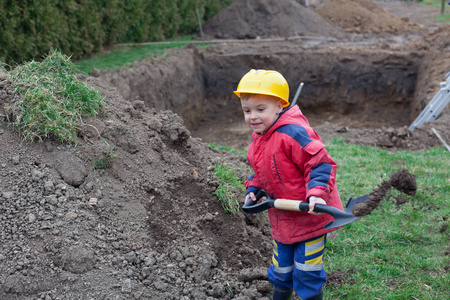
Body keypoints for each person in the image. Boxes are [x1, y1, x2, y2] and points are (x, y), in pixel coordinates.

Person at [234, 69, 344, 300]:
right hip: (282, 220)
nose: (253, 116)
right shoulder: (259, 140)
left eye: (260, 109)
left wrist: (316, 194)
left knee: (307, 272)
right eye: (247, 110)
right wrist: (253, 189)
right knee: (280, 271)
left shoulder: (294, 133)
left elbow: (320, 164)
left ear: (279, 105)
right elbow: (262, 173)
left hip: (310, 218)